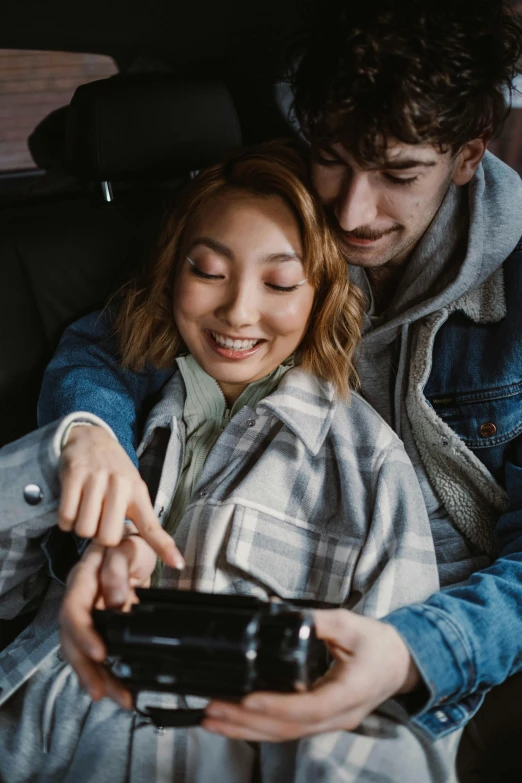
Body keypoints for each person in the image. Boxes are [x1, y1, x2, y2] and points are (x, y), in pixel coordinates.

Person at [35, 0, 522, 765]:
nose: (352, 212)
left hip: (439, 622)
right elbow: (116, 342)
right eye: (332, 156)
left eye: (399, 172)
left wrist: (409, 651)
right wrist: (90, 433)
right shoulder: (278, 205)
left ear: (469, 152)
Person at [0, 141, 455, 782]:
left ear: (321, 294)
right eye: (208, 272)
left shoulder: (369, 465)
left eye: (279, 283)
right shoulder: (115, 410)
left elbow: (385, 712)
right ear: (170, 274)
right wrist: (62, 457)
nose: (238, 311)